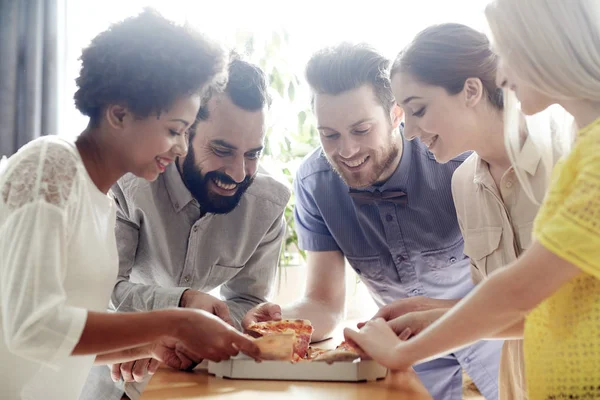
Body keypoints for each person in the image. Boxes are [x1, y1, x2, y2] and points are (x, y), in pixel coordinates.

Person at [0, 9, 260, 400]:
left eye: (187, 132)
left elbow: (59, 341)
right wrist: (174, 321)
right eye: (174, 130)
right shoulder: (49, 165)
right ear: (119, 113)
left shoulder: (99, 201)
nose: (181, 148)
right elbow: (29, 328)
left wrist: (149, 345)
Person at [345, 1, 600, 399]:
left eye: (418, 109)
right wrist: (432, 315)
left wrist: (402, 352)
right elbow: (529, 309)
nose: (500, 73)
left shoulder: (577, 156)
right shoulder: (464, 182)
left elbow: (519, 292)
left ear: (470, 91)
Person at [282, 42, 503, 399]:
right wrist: (278, 322)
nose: (347, 151)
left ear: (396, 114)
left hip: (493, 334)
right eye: (330, 135)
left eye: (361, 129)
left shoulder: (458, 160)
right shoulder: (314, 184)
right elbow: (323, 303)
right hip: (407, 351)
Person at [81, 55, 290, 400]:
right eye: (222, 150)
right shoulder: (126, 180)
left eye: (253, 154)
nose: (239, 173)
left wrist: (208, 328)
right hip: (106, 371)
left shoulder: (267, 204)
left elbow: (246, 301)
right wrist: (183, 306)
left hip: (195, 382)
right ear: (183, 133)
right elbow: (100, 292)